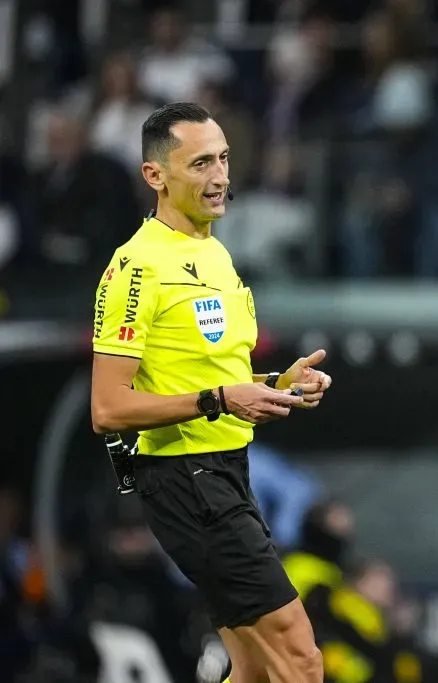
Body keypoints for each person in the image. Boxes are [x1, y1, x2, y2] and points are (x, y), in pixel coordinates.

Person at [90, 102, 332, 683]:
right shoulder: (136, 268)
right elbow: (107, 409)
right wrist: (219, 401)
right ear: (156, 176)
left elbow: (214, 382)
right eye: (200, 163)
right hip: (184, 480)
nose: (220, 175)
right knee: (299, 663)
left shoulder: (214, 254)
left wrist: (276, 386)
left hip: (227, 471)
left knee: (251, 669)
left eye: (223, 158)